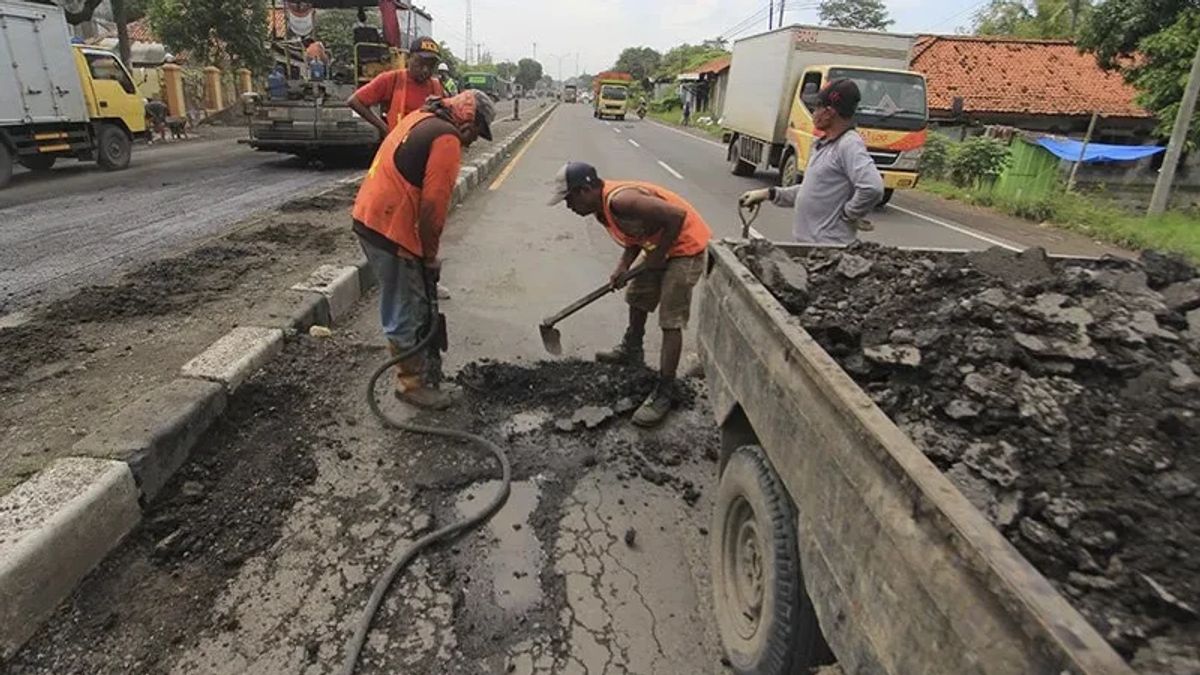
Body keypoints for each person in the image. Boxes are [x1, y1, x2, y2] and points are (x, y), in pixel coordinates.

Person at [352, 90, 496, 409]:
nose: (471, 143)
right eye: (475, 135)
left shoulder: (421, 116)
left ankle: (419, 371)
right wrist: (429, 257)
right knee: (407, 303)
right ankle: (410, 384)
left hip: (371, 216)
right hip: (389, 226)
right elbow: (433, 209)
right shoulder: (446, 138)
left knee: (408, 297)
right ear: (468, 124)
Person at [548, 162, 712, 427]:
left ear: (585, 190)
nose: (569, 207)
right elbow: (638, 234)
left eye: (569, 200)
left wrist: (658, 256)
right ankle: (631, 349)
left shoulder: (621, 201)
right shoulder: (601, 210)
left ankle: (664, 391)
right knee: (637, 294)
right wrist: (623, 266)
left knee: (670, 317)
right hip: (661, 245)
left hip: (685, 247)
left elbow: (676, 216)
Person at [739, 79, 884, 244]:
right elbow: (813, 191)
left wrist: (849, 214)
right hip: (809, 246)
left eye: (817, 108)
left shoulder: (848, 144)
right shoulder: (823, 145)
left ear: (829, 112)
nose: (814, 113)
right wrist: (768, 194)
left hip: (828, 249)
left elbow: (872, 188)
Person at [347, 36, 445, 137]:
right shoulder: (392, 79)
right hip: (400, 147)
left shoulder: (436, 87)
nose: (425, 69)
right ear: (408, 58)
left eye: (431, 65)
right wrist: (384, 129)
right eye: (420, 62)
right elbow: (355, 101)